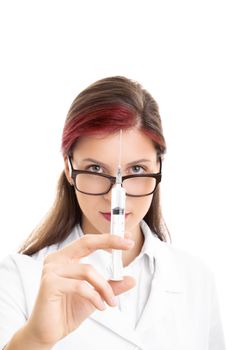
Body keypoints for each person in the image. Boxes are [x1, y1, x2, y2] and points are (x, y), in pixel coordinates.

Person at [0, 76, 225, 350]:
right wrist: (35, 339)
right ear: (69, 168)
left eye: (137, 170)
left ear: (159, 165)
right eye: (95, 169)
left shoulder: (196, 278)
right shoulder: (18, 279)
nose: (114, 195)